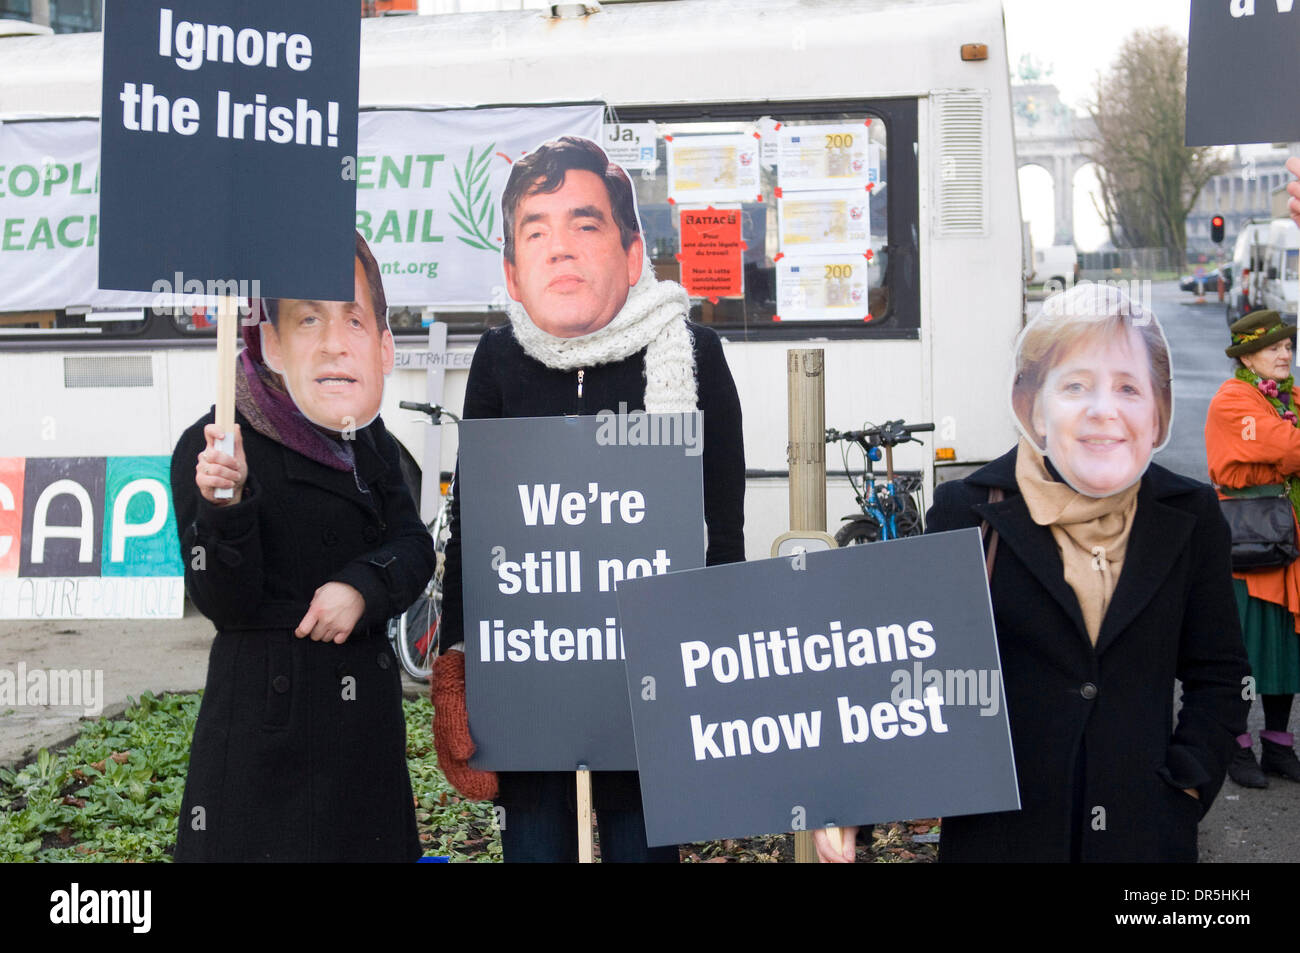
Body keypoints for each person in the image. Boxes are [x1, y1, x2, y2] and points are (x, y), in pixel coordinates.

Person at [814, 283, 1249, 862]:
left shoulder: (1190, 516)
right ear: (1034, 407)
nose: (1104, 409)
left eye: (1128, 387)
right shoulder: (968, 510)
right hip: (1003, 839)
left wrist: (1186, 784)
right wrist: (856, 804)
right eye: (1075, 385)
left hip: (1143, 841)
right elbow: (912, 676)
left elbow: (1219, 674)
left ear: (1157, 408)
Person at [430, 135, 746, 862]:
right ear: (512, 272)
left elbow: (721, 533)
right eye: (535, 231)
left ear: (633, 254)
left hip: (651, 699)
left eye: (584, 224)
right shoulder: (498, 362)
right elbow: (472, 523)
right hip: (530, 696)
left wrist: (722, 660)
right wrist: (455, 656)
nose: (559, 248)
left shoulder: (692, 356)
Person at [170, 232, 435, 861]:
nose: (334, 340)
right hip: (266, 736)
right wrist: (224, 506)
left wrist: (364, 588)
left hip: (363, 734)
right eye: (308, 318)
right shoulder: (214, 449)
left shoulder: (367, 439)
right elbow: (224, 605)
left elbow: (412, 545)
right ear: (271, 340)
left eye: (352, 317)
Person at [1204, 310, 1300, 788]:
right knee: (1245, 649)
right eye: (1274, 348)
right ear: (1247, 355)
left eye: (1288, 347)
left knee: (1283, 644)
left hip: (1287, 538)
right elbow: (1287, 448)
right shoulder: (1232, 399)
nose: (1285, 354)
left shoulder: (1288, 396)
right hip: (1248, 539)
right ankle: (1236, 746)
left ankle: (1279, 746)